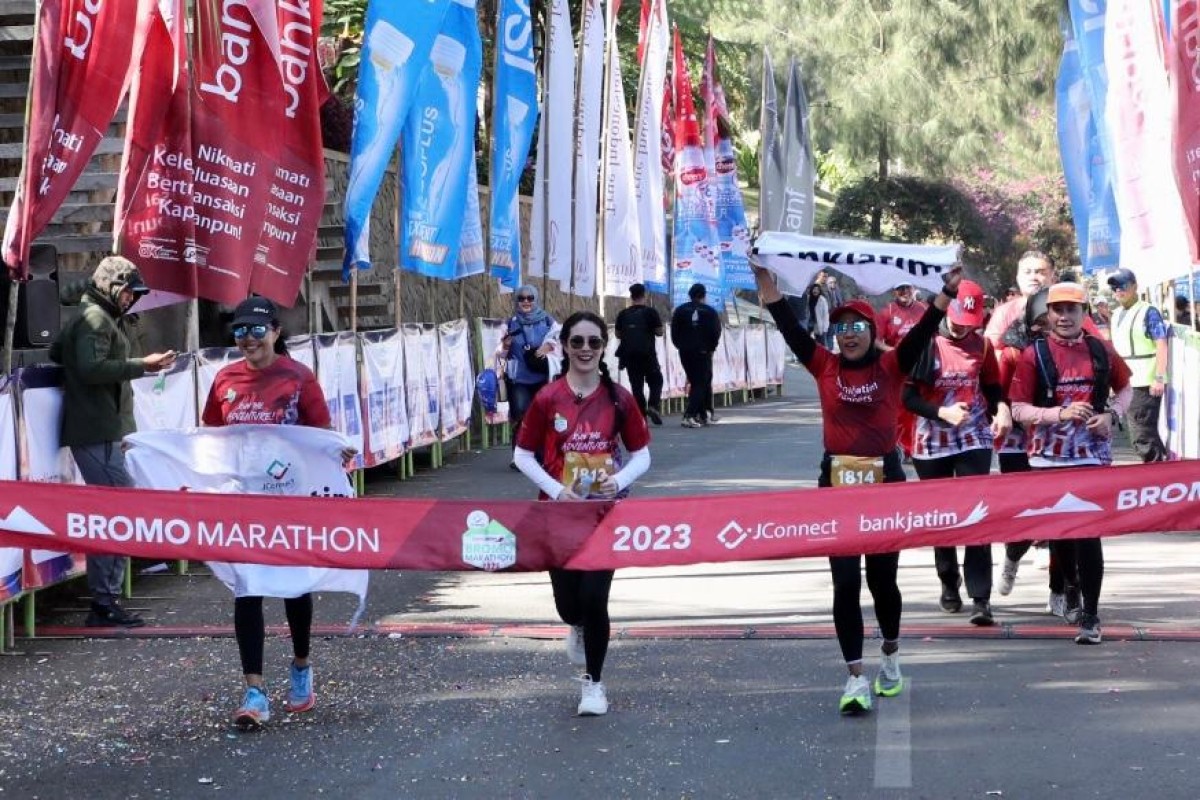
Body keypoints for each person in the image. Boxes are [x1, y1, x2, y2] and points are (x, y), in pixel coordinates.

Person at [754, 261, 963, 715]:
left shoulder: (892, 365)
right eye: (840, 327)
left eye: (856, 327)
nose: (847, 335)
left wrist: (945, 293)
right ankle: (854, 678)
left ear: (870, 331)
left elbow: (926, 327)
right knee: (845, 583)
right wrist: (765, 280)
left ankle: (889, 652)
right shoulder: (824, 365)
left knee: (881, 581)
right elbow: (788, 325)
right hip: (836, 485)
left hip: (884, 484)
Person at [201, 297, 351, 728]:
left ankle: (301, 665)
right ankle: (254, 691)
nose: (247, 340)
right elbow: (209, 433)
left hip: (291, 500)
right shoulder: (225, 379)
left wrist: (338, 453)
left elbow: (320, 435)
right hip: (245, 500)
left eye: (255, 331)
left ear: (275, 333)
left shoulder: (299, 378)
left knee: (292, 587)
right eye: (239, 332)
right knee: (247, 588)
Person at [513, 311, 651, 716]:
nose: (586, 350)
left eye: (594, 342)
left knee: (595, 597)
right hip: (556, 518)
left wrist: (618, 480)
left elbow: (642, 456)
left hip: (602, 515)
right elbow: (522, 456)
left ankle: (594, 684)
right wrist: (557, 492)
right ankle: (574, 624)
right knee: (569, 605)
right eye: (578, 342)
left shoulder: (618, 398)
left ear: (604, 347)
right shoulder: (547, 397)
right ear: (565, 347)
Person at [49, 255, 177, 628]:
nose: (131, 299)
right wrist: (143, 364)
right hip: (98, 430)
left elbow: (61, 352)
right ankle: (104, 602)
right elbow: (90, 368)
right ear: (113, 288)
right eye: (128, 292)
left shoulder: (96, 316)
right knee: (116, 514)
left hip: (101, 429)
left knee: (114, 512)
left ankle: (106, 600)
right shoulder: (95, 319)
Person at [1010, 282, 1132, 645]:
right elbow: (1018, 409)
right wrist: (1057, 413)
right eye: (1057, 310)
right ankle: (1071, 587)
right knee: (1061, 535)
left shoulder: (1101, 350)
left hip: (1092, 458)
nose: (1064, 317)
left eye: (1071, 310)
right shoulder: (1034, 355)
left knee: (1089, 536)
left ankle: (1092, 616)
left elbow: (1126, 387)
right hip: (1047, 460)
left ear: (1084, 314)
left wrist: (1112, 414)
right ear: (1047, 315)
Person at [902, 280, 1002, 625]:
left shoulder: (983, 346)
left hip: (974, 438)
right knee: (943, 517)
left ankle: (981, 597)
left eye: (970, 324)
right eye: (958, 321)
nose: (963, 329)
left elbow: (993, 389)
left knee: (977, 515)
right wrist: (941, 412)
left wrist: (1001, 411)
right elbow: (907, 398)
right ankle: (948, 580)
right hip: (932, 442)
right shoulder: (925, 342)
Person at [1106, 268, 1169, 463]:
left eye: (1123, 285)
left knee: (1142, 435)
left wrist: (1159, 377)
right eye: (1114, 287)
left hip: (1144, 382)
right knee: (1139, 434)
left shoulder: (1148, 311)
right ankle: (1161, 473)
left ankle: (1159, 476)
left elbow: (1161, 344)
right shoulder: (1116, 314)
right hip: (1124, 384)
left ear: (1134, 286)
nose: (1118, 291)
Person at [501, 285, 556, 466]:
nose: (526, 301)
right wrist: (506, 346)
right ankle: (518, 457)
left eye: (530, 298)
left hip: (542, 377)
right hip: (519, 379)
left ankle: (540, 456)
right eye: (522, 298)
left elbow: (561, 337)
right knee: (521, 416)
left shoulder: (547, 320)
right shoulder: (510, 323)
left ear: (536, 299)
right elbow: (499, 354)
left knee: (542, 416)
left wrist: (549, 345)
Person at [876, 280, 929, 459]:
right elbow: (875, 340)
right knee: (899, 411)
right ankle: (900, 447)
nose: (904, 292)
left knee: (917, 410)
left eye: (907, 288)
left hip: (921, 367)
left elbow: (934, 335)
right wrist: (894, 352)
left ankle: (914, 447)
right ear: (894, 292)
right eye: (900, 289)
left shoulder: (923, 309)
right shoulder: (887, 312)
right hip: (897, 369)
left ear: (913, 289)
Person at [670, 282, 722, 428]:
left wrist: (680, 345)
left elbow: (674, 331)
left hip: (685, 351)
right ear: (704, 295)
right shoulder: (710, 311)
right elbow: (716, 332)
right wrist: (711, 348)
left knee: (696, 381)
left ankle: (703, 415)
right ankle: (689, 415)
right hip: (702, 351)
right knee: (700, 382)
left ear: (690, 295)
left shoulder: (680, 310)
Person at [613, 283, 664, 425]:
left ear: (631, 296)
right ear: (644, 295)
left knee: (637, 387)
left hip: (630, 357)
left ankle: (641, 418)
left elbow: (617, 334)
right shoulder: (651, 312)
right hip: (648, 355)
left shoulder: (623, 314)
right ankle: (653, 405)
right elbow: (659, 332)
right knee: (656, 381)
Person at [806, 282, 830, 347]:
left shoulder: (822, 300)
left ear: (819, 291)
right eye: (814, 289)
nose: (815, 291)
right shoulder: (808, 298)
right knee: (805, 338)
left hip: (819, 323)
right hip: (810, 321)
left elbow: (825, 314)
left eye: (817, 289)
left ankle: (825, 354)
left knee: (821, 341)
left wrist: (825, 327)